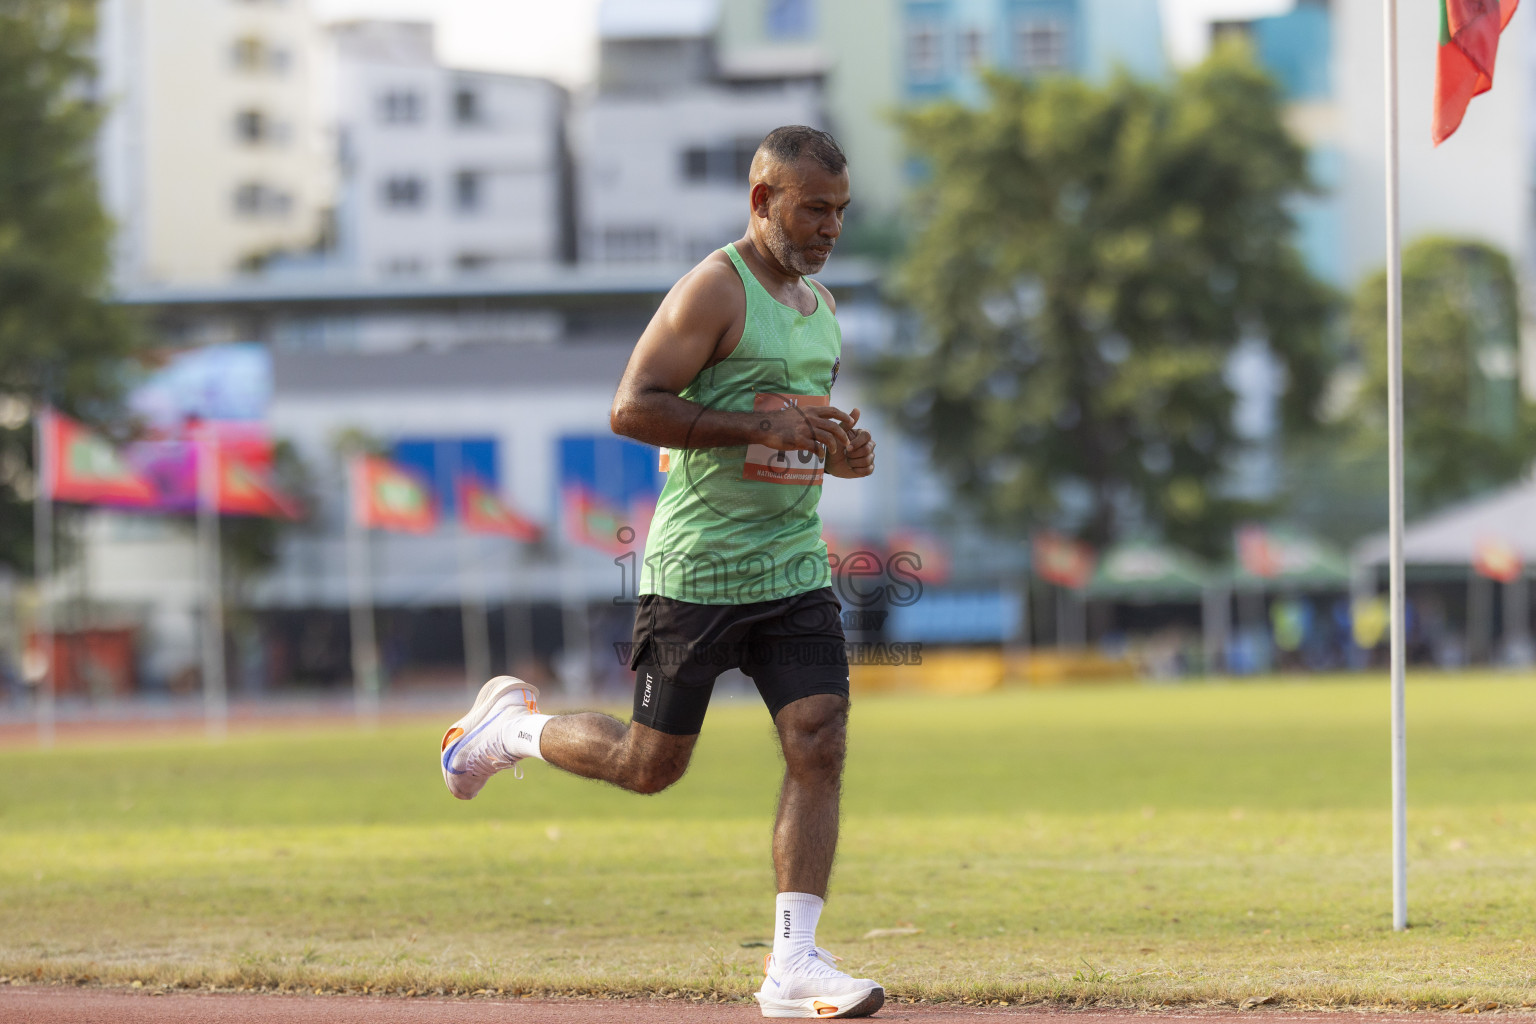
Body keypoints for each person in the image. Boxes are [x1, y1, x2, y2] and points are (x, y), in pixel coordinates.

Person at [439, 125, 881, 1019]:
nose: (832, 227)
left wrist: (837, 454)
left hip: (791, 563)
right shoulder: (714, 288)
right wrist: (763, 430)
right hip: (699, 573)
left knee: (819, 738)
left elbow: (788, 434)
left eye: (841, 211)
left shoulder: (820, 307)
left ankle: (792, 967)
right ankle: (511, 729)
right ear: (763, 202)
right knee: (650, 766)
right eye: (814, 208)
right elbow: (631, 407)